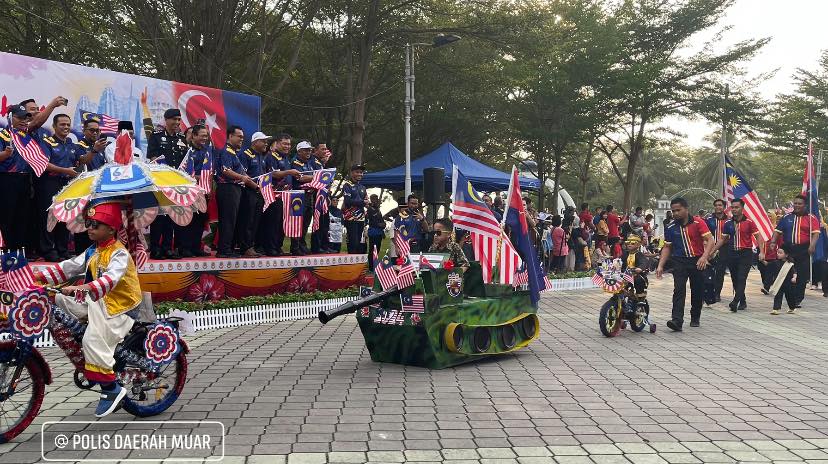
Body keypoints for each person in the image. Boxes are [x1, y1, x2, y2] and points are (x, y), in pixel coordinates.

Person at [34, 201, 142, 417]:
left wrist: (80, 288)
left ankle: (111, 389)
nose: (90, 228)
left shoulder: (119, 254)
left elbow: (109, 281)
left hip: (119, 308)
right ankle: (93, 360)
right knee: (58, 301)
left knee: (91, 340)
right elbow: (69, 267)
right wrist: (35, 277)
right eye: (88, 223)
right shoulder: (94, 250)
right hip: (98, 302)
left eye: (95, 224)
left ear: (111, 228)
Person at [656, 197, 713, 331]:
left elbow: (710, 240)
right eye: (673, 211)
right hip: (679, 261)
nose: (675, 213)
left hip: (697, 260)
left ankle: (695, 317)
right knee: (679, 290)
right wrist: (660, 265)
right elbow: (667, 247)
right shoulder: (670, 226)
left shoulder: (699, 222)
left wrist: (704, 257)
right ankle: (677, 320)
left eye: (678, 210)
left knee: (697, 289)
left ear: (686, 209)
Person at [38, 114, 82, 261]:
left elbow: (80, 161)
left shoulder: (71, 144)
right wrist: (65, 171)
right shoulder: (47, 142)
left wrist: (94, 151)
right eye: (62, 124)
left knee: (64, 217)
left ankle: (62, 250)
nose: (66, 127)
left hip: (67, 185)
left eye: (68, 124)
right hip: (50, 183)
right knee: (49, 217)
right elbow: (44, 164)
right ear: (55, 126)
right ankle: (48, 251)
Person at [147, 109, 188, 260]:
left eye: (179, 119)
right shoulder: (156, 137)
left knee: (171, 216)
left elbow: (185, 161)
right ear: (166, 120)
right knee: (159, 217)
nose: (177, 123)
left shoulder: (182, 139)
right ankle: (156, 248)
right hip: (160, 183)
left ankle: (167, 248)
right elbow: (152, 157)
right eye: (174, 119)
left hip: (176, 184)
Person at [711, 198, 764, 312]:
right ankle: (742, 301)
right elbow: (722, 239)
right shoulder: (728, 223)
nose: (734, 209)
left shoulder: (749, 222)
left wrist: (762, 251)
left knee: (741, 277)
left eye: (737, 207)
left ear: (742, 208)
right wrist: (713, 251)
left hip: (745, 253)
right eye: (733, 207)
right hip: (731, 253)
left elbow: (758, 236)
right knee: (735, 278)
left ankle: (735, 301)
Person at [769, 194, 821, 307]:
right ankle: (783, 297)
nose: (797, 205)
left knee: (801, 276)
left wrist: (812, 245)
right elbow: (777, 231)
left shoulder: (811, 218)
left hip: (803, 249)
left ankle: (797, 299)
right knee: (786, 273)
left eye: (799, 203)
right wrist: (773, 242)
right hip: (788, 249)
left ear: (805, 205)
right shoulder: (786, 217)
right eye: (795, 203)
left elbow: (816, 234)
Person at [0, 104, 39, 251]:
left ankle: (18, 251)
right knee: (7, 217)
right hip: (7, 180)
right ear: (10, 117)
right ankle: (7, 251)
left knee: (22, 218)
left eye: (26, 118)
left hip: (25, 180)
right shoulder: (2, 135)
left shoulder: (25, 136)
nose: (24, 121)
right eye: (20, 118)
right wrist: (4, 155)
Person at [215, 126, 258, 258]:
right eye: (239, 136)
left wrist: (253, 183)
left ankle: (229, 247)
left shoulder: (234, 153)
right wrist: (242, 177)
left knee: (233, 220)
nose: (241, 139)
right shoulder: (226, 151)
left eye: (243, 137)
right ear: (230, 136)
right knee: (228, 219)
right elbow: (226, 170)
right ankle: (224, 250)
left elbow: (241, 172)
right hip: (227, 188)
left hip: (235, 189)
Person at [259, 135, 301, 256]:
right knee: (273, 222)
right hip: (274, 194)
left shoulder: (286, 158)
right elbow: (274, 174)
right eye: (284, 144)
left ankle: (278, 247)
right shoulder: (272, 156)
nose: (287, 146)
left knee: (282, 222)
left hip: (286, 195)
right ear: (277, 144)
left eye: (289, 144)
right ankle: (270, 248)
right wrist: (289, 172)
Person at [177, 125, 212, 258]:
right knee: (188, 219)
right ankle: (184, 248)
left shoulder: (207, 151)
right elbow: (182, 171)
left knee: (199, 219)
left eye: (206, 135)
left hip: (203, 191)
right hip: (187, 190)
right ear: (194, 136)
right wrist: (198, 177)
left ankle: (196, 247)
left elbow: (209, 171)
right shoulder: (186, 151)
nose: (205, 138)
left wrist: (207, 185)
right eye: (202, 135)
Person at [235, 132, 270, 257]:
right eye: (263, 141)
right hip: (248, 192)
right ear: (255, 142)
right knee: (247, 220)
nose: (266, 143)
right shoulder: (245, 155)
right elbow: (243, 174)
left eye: (266, 141)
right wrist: (255, 186)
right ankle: (245, 247)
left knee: (255, 220)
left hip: (259, 192)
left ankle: (251, 245)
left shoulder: (262, 156)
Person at [289, 141, 317, 255]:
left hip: (309, 195)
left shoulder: (309, 163)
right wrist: (316, 177)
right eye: (306, 150)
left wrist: (314, 183)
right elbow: (300, 178)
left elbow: (310, 178)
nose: (308, 152)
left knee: (306, 222)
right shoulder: (295, 162)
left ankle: (301, 244)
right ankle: (295, 247)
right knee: (297, 222)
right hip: (298, 196)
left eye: (310, 150)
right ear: (299, 151)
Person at [704, 199, 730, 305]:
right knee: (708, 271)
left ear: (724, 207)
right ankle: (707, 293)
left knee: (720, 271)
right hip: (710, 247)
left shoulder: (729, 220)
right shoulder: (709, 220)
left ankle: (717, 293)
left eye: (720, 205)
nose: (718, 207)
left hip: (725, 248)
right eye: (716, 205)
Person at [309, 142, 333, 253]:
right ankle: (316, 246)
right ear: (316, 150)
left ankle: (324, 245)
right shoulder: (312, 161)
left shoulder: (320, 162)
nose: (325, 151)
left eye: (326, 149)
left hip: (324, 195)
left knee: (325, 221)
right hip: (316, 195)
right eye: (323, 149)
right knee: (319, 220)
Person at [342, 164, 368, 254]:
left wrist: (367, 203)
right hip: (350, 217)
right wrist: (362, 202)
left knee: (359, 243)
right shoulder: (347, 185)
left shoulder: (363, 187)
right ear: (352, 173)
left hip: (361, 217)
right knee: (353, 241)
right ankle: (351, 262)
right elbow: (348, 201)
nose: (360, 174)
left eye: (361, 172)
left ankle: (356, 263)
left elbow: (366, 201)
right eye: (357, 172)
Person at [769, 245, 797, 315]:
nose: (778, 254)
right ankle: (775, 309)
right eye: (778, 252)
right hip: (779, 283)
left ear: (786, 255)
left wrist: (794, 278)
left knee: (789, 296)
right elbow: (768, 265)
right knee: (778, 295)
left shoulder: (790, 264)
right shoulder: (776, 262)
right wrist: (763, 261)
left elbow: (794, 272)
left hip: (788, 284)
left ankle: (791, 308)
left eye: (780, 253)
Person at [366, 194, 385, 268]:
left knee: (378, 249)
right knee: (372, 249)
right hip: (373, 232)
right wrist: (379, 224)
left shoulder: (377, 209)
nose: (376, 200)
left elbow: (381, 219)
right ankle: (371, 266)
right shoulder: (370, 209)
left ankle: (375, 264)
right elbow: (371, 221)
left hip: (379, 232)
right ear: (371, 199)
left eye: (376, 198)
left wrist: (384, 224)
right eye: (374, 198)